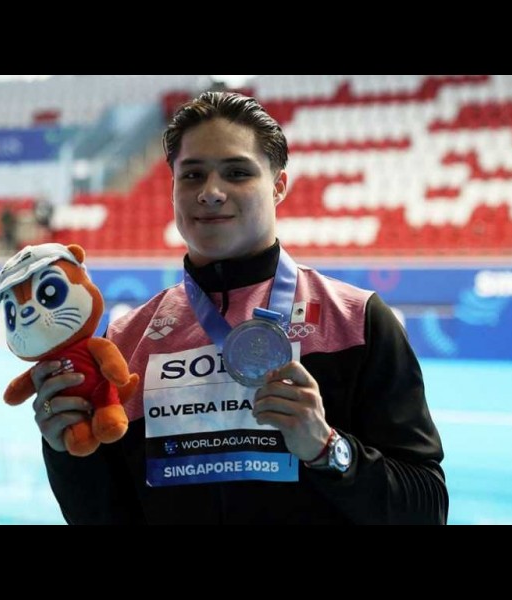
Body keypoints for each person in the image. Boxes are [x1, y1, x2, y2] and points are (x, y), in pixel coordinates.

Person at [30, 91, 448, 524]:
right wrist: (67, 449)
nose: (211, 192)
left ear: (278, 186)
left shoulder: (356, 321)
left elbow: (427, 507)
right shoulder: (125, 344)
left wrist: (327, 449)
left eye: (237, 172)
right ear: (172, 189)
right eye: (192, 175)